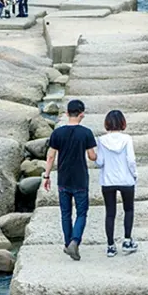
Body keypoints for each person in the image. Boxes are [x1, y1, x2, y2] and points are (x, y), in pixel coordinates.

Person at [44, 100, 97, 261]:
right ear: (82, 114)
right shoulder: (86, 133)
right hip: (80, 179)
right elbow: (92, 156)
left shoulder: (57, 133)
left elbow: (51, 156)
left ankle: (68, 243)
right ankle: (75, 241)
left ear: (67, 114)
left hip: (63, 179)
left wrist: (46, 176)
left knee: (65, 214)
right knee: (81, 213)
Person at [95, 110, 139, 257]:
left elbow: (99, 162)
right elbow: (131, 160)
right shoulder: (127, 139)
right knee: (128, 210)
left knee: (110, 213)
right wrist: (134, 174)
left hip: (108, 181)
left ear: (107, 123)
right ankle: (127, 241)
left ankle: (110, 246)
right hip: (126, 179)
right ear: (123, 123)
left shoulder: (101, 140)